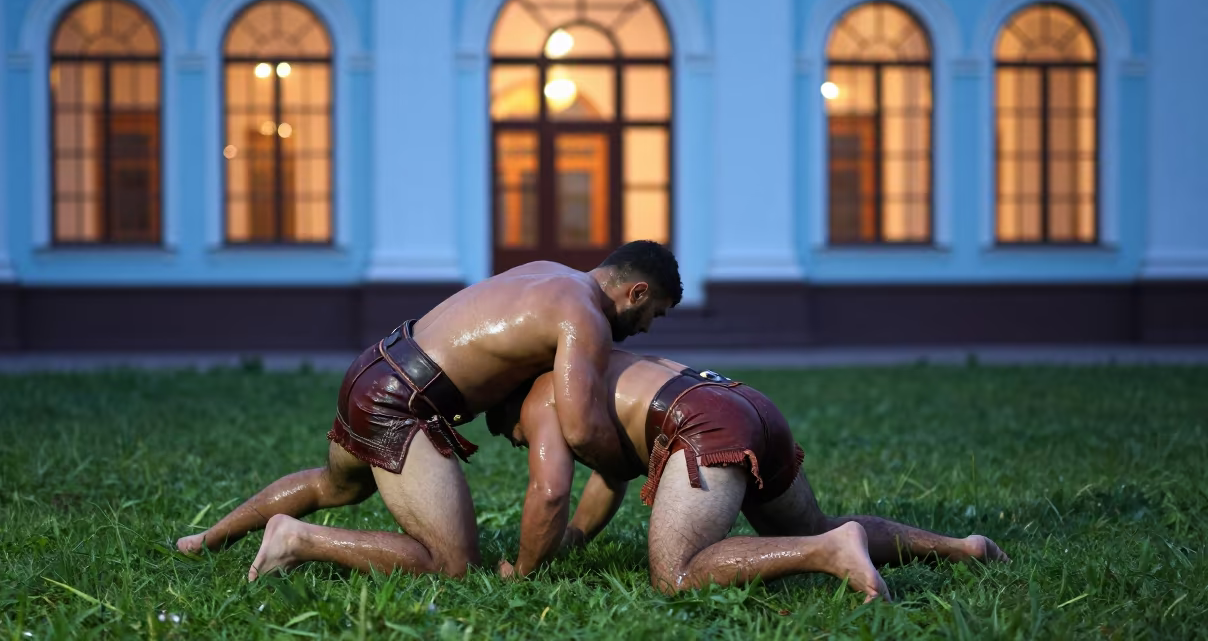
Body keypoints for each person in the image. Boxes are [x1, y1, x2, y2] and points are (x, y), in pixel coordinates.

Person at [174, 241, 682, 581]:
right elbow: (581, 426)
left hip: (375, 367)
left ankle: (204, 539)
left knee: (336, 485)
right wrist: (635, 465)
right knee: (454, 564)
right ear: (635, 292)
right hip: (404, 404)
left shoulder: (549, 272)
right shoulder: (584, 316)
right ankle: (297, 538)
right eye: (652, 313)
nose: (646, 328)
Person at [490, 350, 1010, 602]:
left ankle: (828, 552)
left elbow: (551, 491)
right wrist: (578, 539)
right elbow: (612, 474)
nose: (514, 440)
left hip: (701, 423)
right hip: (746, 401)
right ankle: (963, 548)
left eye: (503, 427)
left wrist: (525, 569)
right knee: (813, 521)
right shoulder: (597, 367)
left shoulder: (544, 395)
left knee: (675, 577)